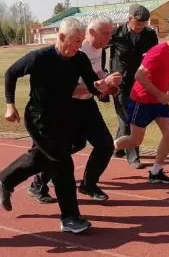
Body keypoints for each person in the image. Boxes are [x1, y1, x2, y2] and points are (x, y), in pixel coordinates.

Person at [0, 17, 121, 234]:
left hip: (63, 117)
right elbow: (11, 73)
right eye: (75, 40)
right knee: (63, 163)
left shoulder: (80, 58)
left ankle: (5, 180)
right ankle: (70, 218)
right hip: (39, 118)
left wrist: (104, 87)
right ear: (61, 37)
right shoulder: (40, 57)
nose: (80, 45)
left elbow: (93, 85)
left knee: (40, 157)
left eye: (81, 40)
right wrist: (9, 105)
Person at [28, 16, 116, 203]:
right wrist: (100, 86)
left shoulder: (100, 50)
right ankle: (38, 183)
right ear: (90, 33)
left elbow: (98, 73)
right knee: (61, 148)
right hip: (66, 107)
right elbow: (67, 89)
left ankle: (88, 184)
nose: (109, 37)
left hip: (87, 105)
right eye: (105, 33)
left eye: (111, 32)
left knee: (105, 145)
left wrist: (108, 86)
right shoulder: (75, 51)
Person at [113, 23, 169, 184]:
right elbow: (139, 76)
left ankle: (156, 172)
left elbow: (163, 74)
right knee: (135, 140)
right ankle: (108, 147)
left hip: (159, 101)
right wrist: (160, 95)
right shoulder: (158, 51)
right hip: (142, 100)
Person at [107, 4, 159, 169]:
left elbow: (154, 57)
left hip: (139, 82)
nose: (141, 27)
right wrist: (103, 74)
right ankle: (133, 157)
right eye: (138, 23)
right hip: (119, 83)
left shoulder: (150, 35)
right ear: (129, 19)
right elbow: (99, 49)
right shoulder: (115, 34)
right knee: (127, 118)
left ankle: (117, 148)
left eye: (144, 23)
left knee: (130, 117)